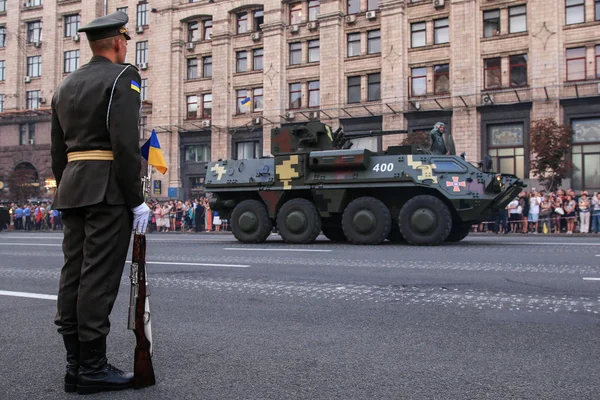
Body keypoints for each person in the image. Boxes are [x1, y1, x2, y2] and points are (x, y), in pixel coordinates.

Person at [50, 11, 150, 395]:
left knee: (73, 273)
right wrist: (135, 199)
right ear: (121, 42)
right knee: (99, 277)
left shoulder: (65, 85)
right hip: (107, 189)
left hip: (74, 187)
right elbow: (124, 145)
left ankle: (76, 367)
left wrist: (68, 187)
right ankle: (92, 369)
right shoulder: (124, 76)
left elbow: (59, 152)